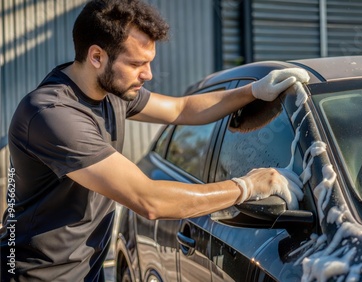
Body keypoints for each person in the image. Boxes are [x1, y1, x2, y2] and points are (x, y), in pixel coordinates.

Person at [0, 0, 309, 281]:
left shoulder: (111, 92)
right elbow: (149, 200)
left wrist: (253, 92)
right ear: (97, 56)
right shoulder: (52, 114)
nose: (147, 74)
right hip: (36, 275)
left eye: (149, 62)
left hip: (85, 271)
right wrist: (248, 186)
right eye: (136, 64)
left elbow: (181, 108)